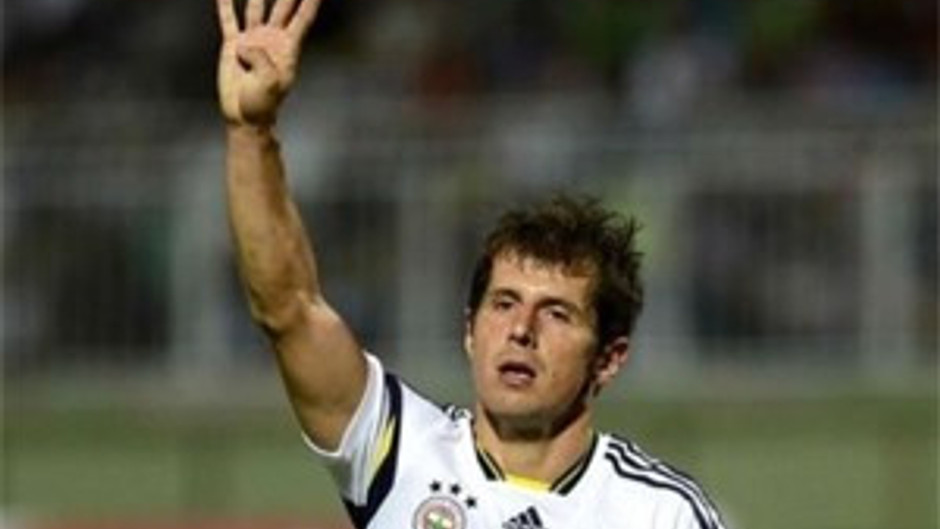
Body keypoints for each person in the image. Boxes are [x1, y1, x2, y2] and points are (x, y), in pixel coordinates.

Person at [214, 0, 728, 527]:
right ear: (469, 330)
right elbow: (288, 308)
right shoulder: (400, 451)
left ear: (609, 359)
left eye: (556, 313)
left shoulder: (661, 512)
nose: (521, 330)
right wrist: (251, 132)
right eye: (503, 304)